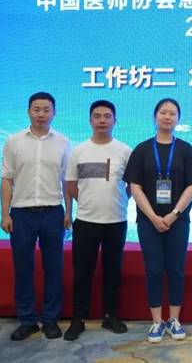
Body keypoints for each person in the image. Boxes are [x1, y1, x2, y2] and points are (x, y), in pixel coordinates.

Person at [123, 98, 192, 343]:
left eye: (172, 113)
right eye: (163, 113)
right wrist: (153, 217)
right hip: (149, 222)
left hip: (178, 221)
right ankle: (157, 322)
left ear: (178, 119)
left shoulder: (186, 149)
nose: (167, 117)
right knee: (154, 270)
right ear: (155, 116)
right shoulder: (142, 149)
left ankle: (174, 320)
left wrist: (173, 214)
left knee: (176, 270)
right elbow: (135, 187)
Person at [0, 92, 71, 341]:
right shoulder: (14, 141)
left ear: (54, 113)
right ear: (28, 111)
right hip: (21, 214)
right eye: (36, 109)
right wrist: (5, 214)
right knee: (23, 268)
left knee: (54, 268)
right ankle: (27, 320)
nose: (41, 114)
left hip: (53, 212)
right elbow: (6, 179)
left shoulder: (63, 142)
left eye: (46, 110)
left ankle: (51, 319)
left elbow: (67, 181)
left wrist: (69, 212)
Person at [62, 100, 132, 341]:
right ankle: (78, 319)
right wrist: (85, 203)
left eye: (107, 116)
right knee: (82, 272)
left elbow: (131, 187)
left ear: (115, 120)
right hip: (86, 221)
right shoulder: (78, 151)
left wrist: (117, 201)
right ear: (90, 120)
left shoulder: (124, 151)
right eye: (97, 116)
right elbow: (71, 185)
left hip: (116, 221)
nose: (102, 120)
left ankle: (111, 315)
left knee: (113, 271)